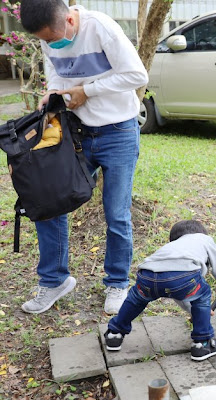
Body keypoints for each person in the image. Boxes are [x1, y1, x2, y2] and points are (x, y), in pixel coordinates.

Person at [19, 0, 148, 314]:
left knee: (116, 213)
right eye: (44, 40)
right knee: (50, 202)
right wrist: (53, 92)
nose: (49, 44)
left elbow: (137, 75)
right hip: (76, 133)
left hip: (118, 131)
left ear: (69, 20)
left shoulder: (100, 27)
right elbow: (57, 74)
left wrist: (87, 91)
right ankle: (55, 281)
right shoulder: (49, 36)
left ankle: (117, 283)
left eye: (52, 37)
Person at [104, 220, 216, 361]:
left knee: (135, 300)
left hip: (147, 274)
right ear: (201, 232)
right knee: (203, 294)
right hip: (183, 279)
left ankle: (114, 334)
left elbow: (178, 292)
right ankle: (202, 343)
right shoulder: (203, 239)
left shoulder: (170, 247)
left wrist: (197, 311)